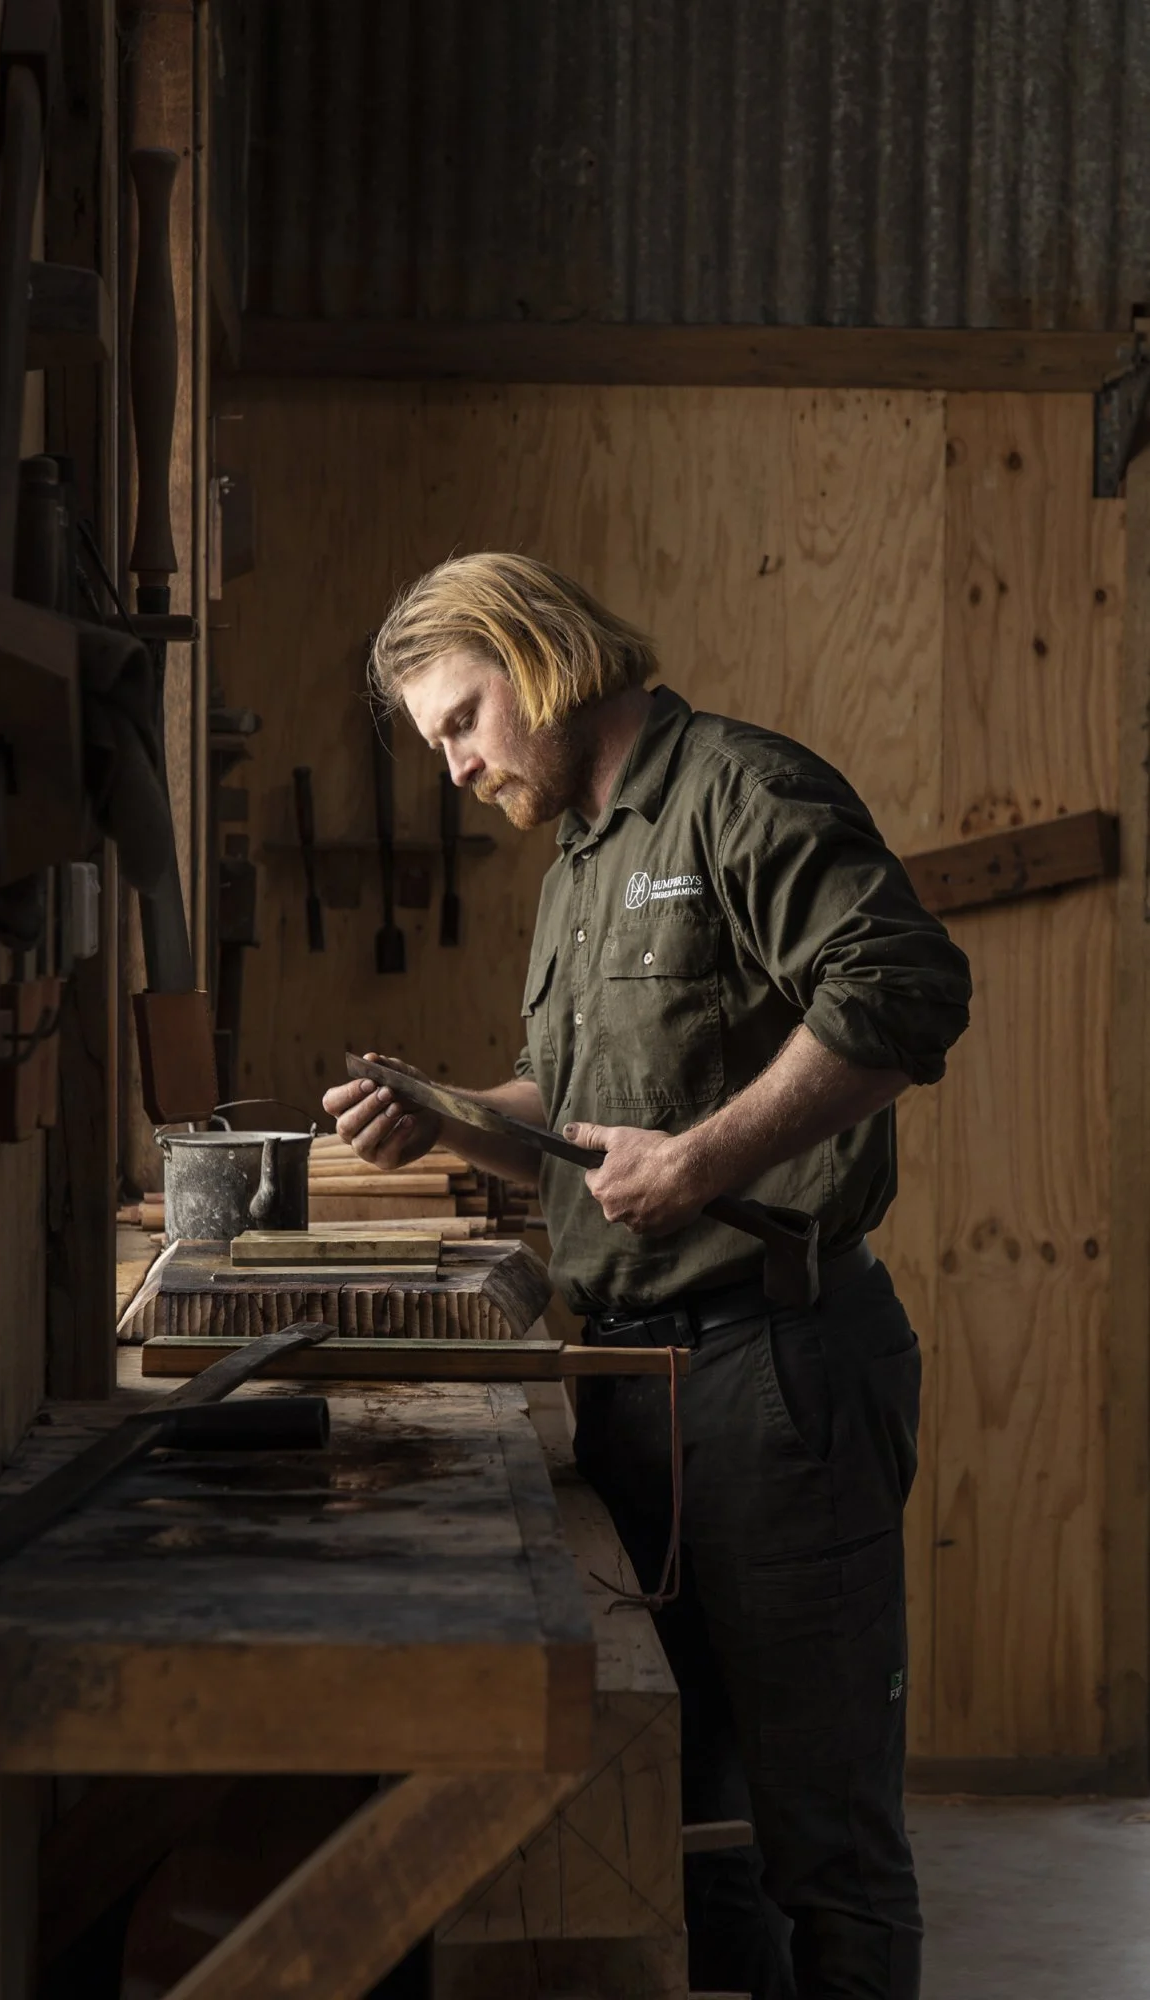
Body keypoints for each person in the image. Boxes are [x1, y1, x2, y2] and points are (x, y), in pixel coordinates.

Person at [322, 552, 971, 2000]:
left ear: (536, 654)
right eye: (436, 740)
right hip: (634, 1384)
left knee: (826, 1847)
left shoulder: (742, 792)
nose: (456, 765)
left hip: (776, 1378)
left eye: (462, 719)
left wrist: (702, 1161)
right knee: (693, 1829)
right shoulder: (581, 860)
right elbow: (576, 1116)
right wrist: (444, 1114)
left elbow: (908, 990)